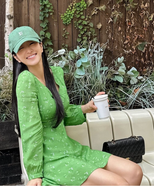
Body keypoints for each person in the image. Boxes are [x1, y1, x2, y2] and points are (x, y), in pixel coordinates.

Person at [10, 26, 143, 186]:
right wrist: (35, 174)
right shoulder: (26, 80)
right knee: (119, 183)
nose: (28, 50)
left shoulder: (56, 74)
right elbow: (30, 130)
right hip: (52, 159)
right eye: (21, 48)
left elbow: (62, 113)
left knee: (134, 172)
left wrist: (87, 107)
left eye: (31, 43)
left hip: (71, 149)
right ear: (16, 57)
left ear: (41, 45)